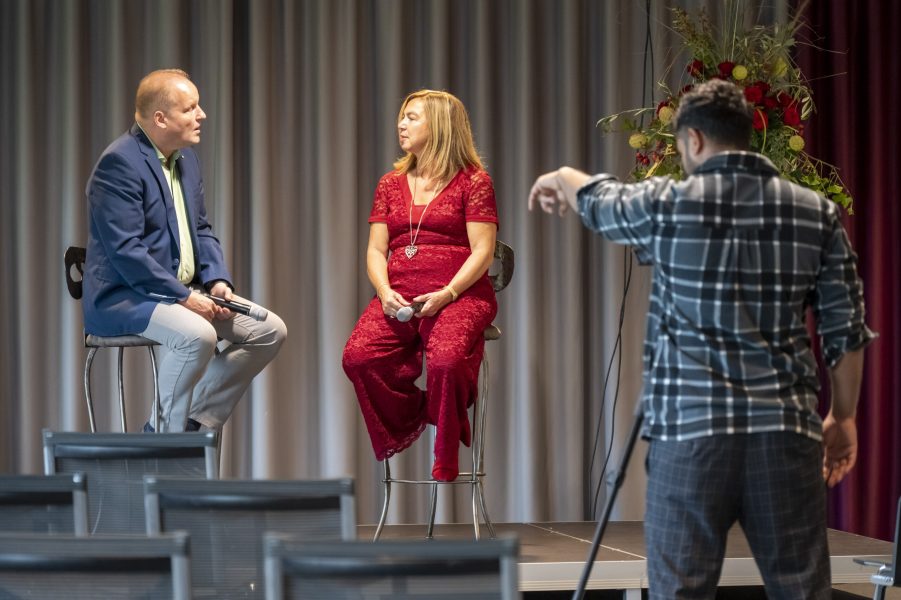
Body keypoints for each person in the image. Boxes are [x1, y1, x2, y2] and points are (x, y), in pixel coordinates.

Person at [528, 79, 875, 599]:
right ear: (747, 135)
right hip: (784, 434)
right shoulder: (816, 213)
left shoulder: (668, 203)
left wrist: (558, 175)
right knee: (801, 591)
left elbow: (597, 199)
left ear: (692, 140)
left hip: (690, 436)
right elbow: (845, 332)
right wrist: (842, 418)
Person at [83, 69, 287, 433]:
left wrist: (218, 280)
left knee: (269, 330)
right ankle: (162, 434)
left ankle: (191, 424)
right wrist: (184, 298)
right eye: (191, 108)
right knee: (199, 335)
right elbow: (126, 250)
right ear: (160, 119)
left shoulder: (184, 159)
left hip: (180, 293)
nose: (202, 115)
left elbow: (201, 230)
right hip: (124, 297)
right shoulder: (119, 164)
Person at [342, 90, 498, 481]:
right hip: (400, 295)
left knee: (445, 362)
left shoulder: (474, 182)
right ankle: (433, 410)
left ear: (441, 126)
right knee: (359, 358)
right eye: (402, 117)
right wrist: (382, 290)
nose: (401, 124)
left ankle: (445, 453)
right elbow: (376, 250)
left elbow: (483, 251)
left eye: (412, 117)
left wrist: (449, 292)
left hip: (459, 295)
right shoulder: (390, 184)